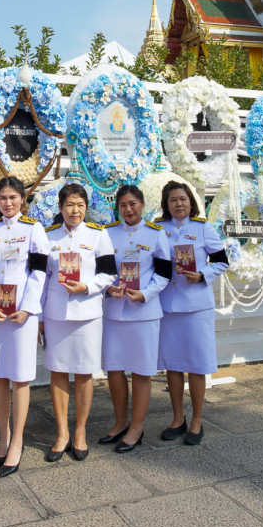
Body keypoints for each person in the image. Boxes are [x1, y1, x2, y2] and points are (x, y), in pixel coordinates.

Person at [41, 183, 116, 462]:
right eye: (70, 205)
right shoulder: (47, 236)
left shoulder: (99, 235)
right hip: (56, 314)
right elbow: (41, 279)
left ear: (86, 208)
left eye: (80, 205)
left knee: (84, 373)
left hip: (87, 316)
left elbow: (109, 274)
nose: (75, 210)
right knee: (58, 372)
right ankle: (62, 434)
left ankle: (81, 431)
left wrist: (86, 287)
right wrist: (37, 317)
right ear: (60, 208)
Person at [0, 176, 48, 477]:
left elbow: (40, 272)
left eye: (13, 198)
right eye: (3, 198)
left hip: (21, 313)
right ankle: (3, 437)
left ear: (23, 200)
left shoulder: (33, 230)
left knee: (19, 377)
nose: (8, 203)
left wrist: (28, 308)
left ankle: (18, 440)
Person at [153, 180, 227, 446]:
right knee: (172, 364)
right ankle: (177, 418)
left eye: (183, 199)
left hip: (196, 306)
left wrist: (202, 275)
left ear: (191, 201)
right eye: (173, 200)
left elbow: (221, 261)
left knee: (196, 365)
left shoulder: (203, 228)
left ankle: (197, 420)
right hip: (169, 306)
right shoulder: (158, 229)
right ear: (167, 204)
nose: (178, 204)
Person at [101, 183, 168, 454]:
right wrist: (108, 288)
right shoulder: (107, 234)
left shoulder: (155, 234)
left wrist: (146, 294)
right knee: (114, 370)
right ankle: (120, 423)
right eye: (123, 205)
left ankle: (137, 427)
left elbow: (164, 273)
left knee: (141, 371)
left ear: (142, 204)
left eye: (133, 204)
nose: (128, 210)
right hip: (115, 313)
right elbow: (101, 271)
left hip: (144, 314)